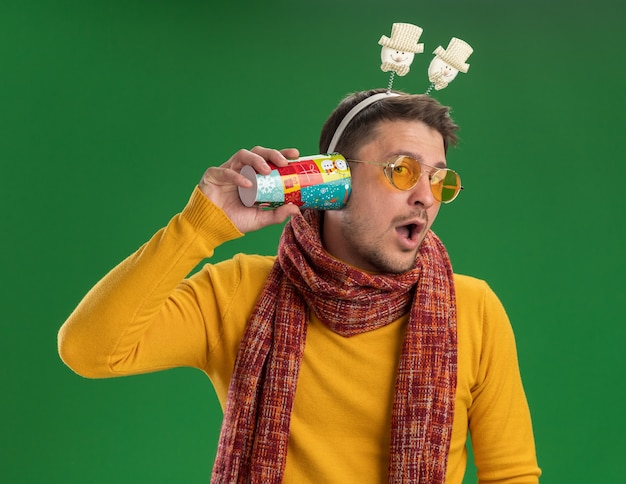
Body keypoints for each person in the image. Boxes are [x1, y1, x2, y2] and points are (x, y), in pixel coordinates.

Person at [58, 88, 541, 483]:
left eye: (439, 180)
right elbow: (90, 349)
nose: (424, 198)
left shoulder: (473, 309)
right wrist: (200, 225)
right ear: (333, 181)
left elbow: (511, 474)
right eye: (402, 170)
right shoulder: (239, 293)